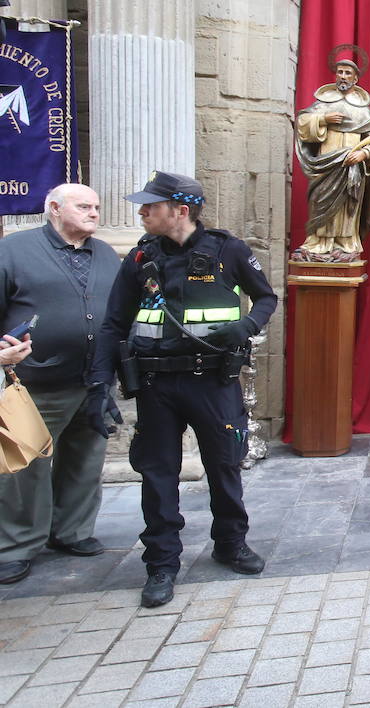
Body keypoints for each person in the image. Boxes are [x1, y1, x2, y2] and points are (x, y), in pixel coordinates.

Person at [88, 172, 278, 608]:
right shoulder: (140, 257)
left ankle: (230, 543)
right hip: (156, 384)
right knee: (157, 475)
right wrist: (100, 382)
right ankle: (161, 564)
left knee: (225, 465)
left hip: (212, 381)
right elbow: (114, 323)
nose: (141, 213)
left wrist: (246, 326)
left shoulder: (227, 250)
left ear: (181, 209)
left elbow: (266, 298)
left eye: (150, 206)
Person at [0, 184, 120, 586]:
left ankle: (71, 532)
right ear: (53, 208)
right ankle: (17, 546)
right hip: (36, 381)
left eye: (97, 207)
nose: (94, 213)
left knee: (85, 460)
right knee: (26, 469)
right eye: (84, 206)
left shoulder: (104, 253)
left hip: (93, 381)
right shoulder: (14, 250)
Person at [293, 54, 370, 261]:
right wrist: (323, 119)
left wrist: (364, 153)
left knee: (348, 205)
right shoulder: (323, 103)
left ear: (355, 79)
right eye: (340, 72)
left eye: (348, 73)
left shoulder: (363, 109)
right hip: (326, 164)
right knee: (321, 199)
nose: (343, 76)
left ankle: (345, 243)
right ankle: (318, 243)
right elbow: (302, 124)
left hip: (351, 168)